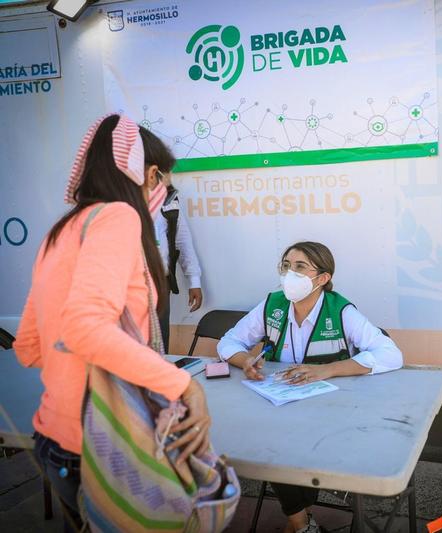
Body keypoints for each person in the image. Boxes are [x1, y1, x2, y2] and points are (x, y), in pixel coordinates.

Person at [13, 114, 211, 532]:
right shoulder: (119, 217)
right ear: (149, 174)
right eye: (161, 179)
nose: (161, 189)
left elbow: (28, 346)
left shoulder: (62, 230)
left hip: (54, 439)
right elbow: (86, 329)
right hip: (104, 443)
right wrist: (185, 385)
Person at [217, 241, 403, 533]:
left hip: (330, 410)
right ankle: (301, 522)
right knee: (272, 440)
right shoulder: (273, 305)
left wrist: (328, 370)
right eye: (286, 266)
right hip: (279, 405)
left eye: (300, 267)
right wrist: (246, 361)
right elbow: (229, 341)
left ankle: (299, 521)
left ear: (323, 278)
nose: (289, 274)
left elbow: (391, 354)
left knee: (281, 445)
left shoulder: (341, 311)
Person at [139, 127, 204, 352]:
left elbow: (183, 241)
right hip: (135, 286)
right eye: (163, 171)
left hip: (160, 283)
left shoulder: (170, 202)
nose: (168, 177)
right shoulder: (120, 210)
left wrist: (194, 281)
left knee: (159, 344)